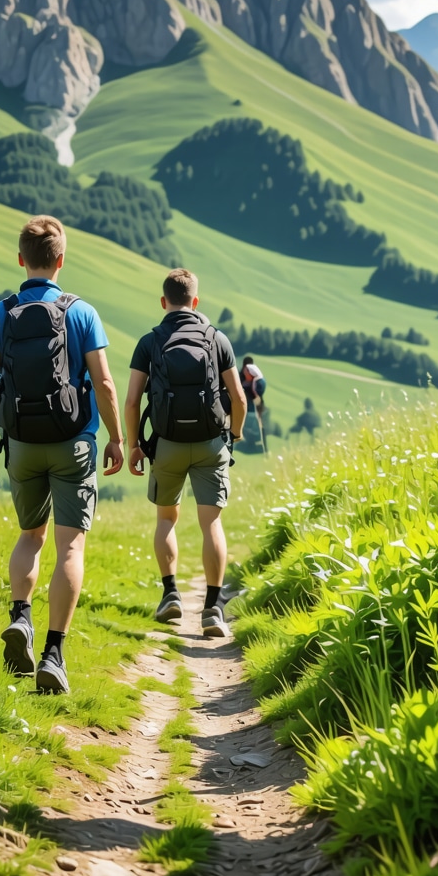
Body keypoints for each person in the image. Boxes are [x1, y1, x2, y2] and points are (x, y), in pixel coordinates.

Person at [0, 215, 124, 695]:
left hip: (20, 443)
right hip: (73, 441)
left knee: (29, 537)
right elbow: (102, 382)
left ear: (21, 260)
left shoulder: (0, 313)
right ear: (61, 260)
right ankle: (54, 655)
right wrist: (118, 438)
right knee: (70, 546)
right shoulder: (82, 312)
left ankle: (21, 617)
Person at [124, 269, 247, 637]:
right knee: (211, 522)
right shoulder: (216, 339)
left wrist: (134, 445)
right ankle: (212, 608)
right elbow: (238, 399)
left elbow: (131, 402)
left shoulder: (149, 342)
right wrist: (233, 434)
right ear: (196, 302)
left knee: (166, 519)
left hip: (166, 444)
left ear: (164, 303)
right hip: (211, 443)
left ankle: (170, 594)